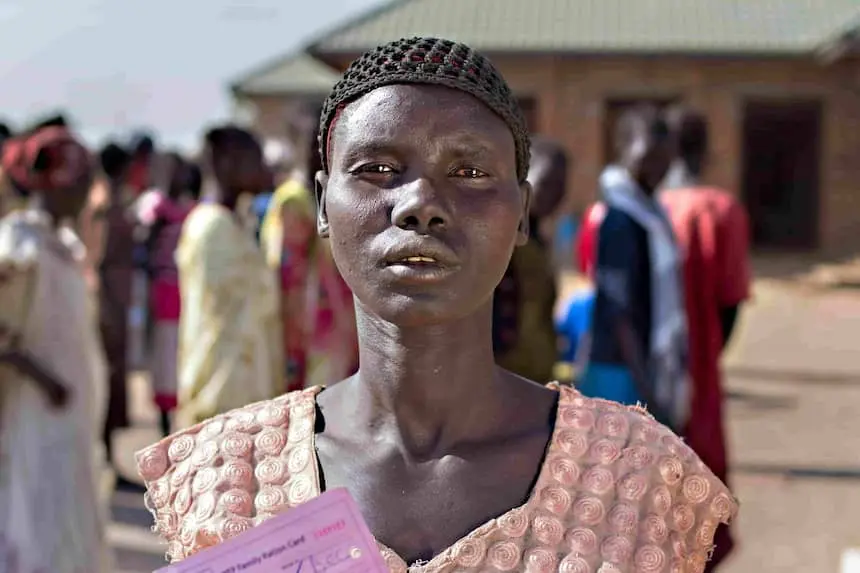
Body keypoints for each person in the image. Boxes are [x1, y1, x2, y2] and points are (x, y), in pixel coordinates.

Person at [137, 37, 736, 572]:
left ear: (523, 213)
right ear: (323, 205)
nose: (421, 204)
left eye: (470, 170)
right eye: (376, 168)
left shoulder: (640, 479)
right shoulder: (225, 478)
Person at [0, 125, 112, 572]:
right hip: (36, 414)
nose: (88, 191)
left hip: (70, 419)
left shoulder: (62, 246)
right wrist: (45, 380)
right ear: (63, 181)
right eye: (83, 181)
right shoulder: (18, 243)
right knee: (37, 528)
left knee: (69, 521)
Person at [659, 106, 751, 571]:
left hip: (640, 366)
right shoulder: (720, 210)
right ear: (707, 150)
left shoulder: (636, 206)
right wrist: (710, 352)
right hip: (699, 360)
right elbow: (731, 299)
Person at [579, 107, 688, 433]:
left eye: (667, 157)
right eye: (650, 154)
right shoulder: (620, 219)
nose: (660, 166)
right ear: (623, 150)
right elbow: (618, 309)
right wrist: (647, 391)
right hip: (619, 370)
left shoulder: (651, 214)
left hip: (641, 366)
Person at [173, 126, 283, 427]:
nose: (263, 169)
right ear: (227, 162)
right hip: (220, 397)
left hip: (248, 390)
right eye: (255, 160)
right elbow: (215, 326)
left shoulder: (239, 224)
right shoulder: (210, 228)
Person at [260, 126, 357, 392]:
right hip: (307, 322)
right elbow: (287, 271)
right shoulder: (294, 200)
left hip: (332, 319)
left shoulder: (320, 197)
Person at [493, 136, 564, 383]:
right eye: (546, 183)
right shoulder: (502, 240)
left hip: (536, 375)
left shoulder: (539, 239)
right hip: (504, 376)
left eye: (560, 187)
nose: (554, 194)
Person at [137, 152, 196, 436]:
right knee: (164, 356)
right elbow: (146, 248)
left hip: (183, 290)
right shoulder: (157, 207)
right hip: (163, 291)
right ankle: (164, 427)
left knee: (180, 355)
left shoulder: (189, 208)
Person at [89, 142, 136, 463]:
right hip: (108, 301)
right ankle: (104, 454)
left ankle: (107, 454)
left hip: (115, 297)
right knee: (107, 376)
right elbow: (99, 257)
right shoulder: (105, 202)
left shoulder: (109, 198)